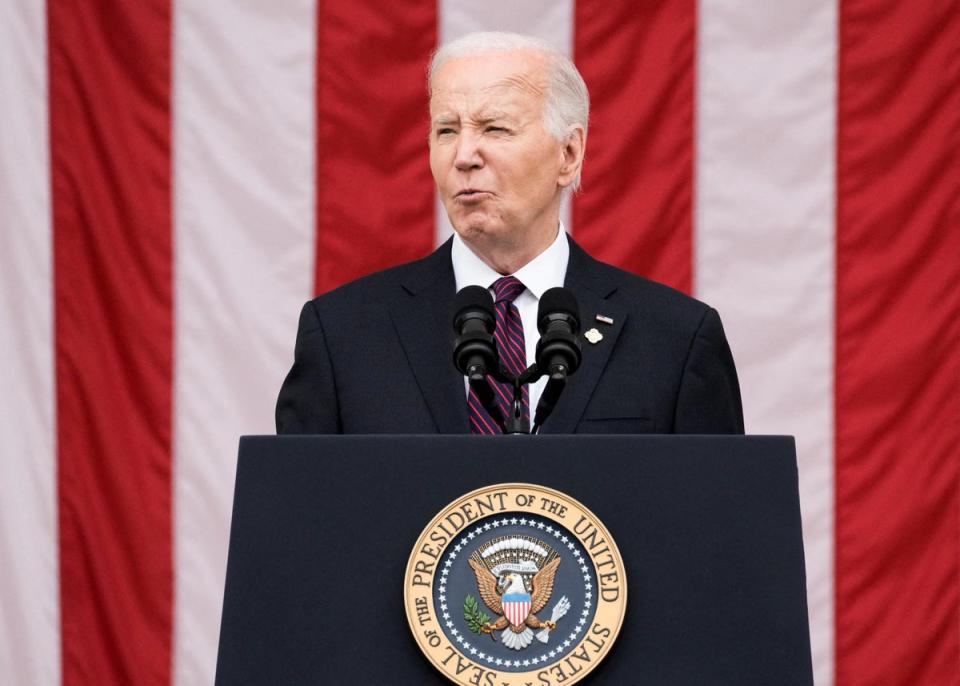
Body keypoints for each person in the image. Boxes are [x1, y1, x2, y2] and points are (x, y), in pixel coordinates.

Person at [276, 31, 743, 435]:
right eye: (446, 131)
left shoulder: (676, 339)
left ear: (569, 154)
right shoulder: (343, 335)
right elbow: (293, 523)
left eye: (495, 128)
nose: (464, 156)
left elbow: (721, 525)